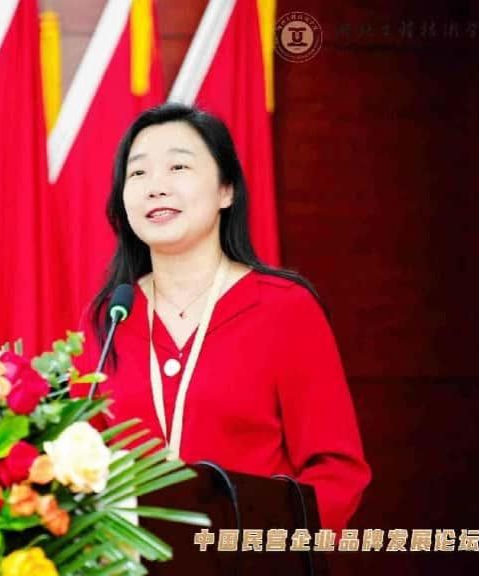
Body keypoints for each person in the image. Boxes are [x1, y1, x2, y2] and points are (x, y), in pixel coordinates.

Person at [74, 103, 371, 531]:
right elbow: (81, 461)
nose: (155, 187)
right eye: (137, 173)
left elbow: (337, 473)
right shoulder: (111, 316)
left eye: (178, 166)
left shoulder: (284, 308)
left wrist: (258, 546)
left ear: (226, 190)